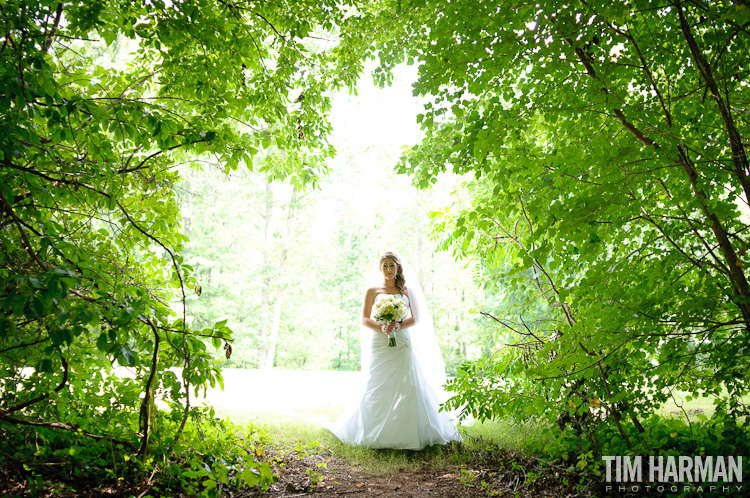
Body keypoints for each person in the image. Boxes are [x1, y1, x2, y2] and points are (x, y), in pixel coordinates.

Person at [328, 251, 462, 450]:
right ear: (379, 268)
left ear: (398, 267)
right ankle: (373, 430)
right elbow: (364, 319)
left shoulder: (406, 290)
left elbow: (417, 317)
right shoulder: (372, 290)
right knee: (376, 382)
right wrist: (381, 328)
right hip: (379, 341)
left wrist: (399, 325)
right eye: (385, 266)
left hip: (401, 340)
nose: (389, 269)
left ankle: (408, 431)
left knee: (408, 382)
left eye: (392, 265)